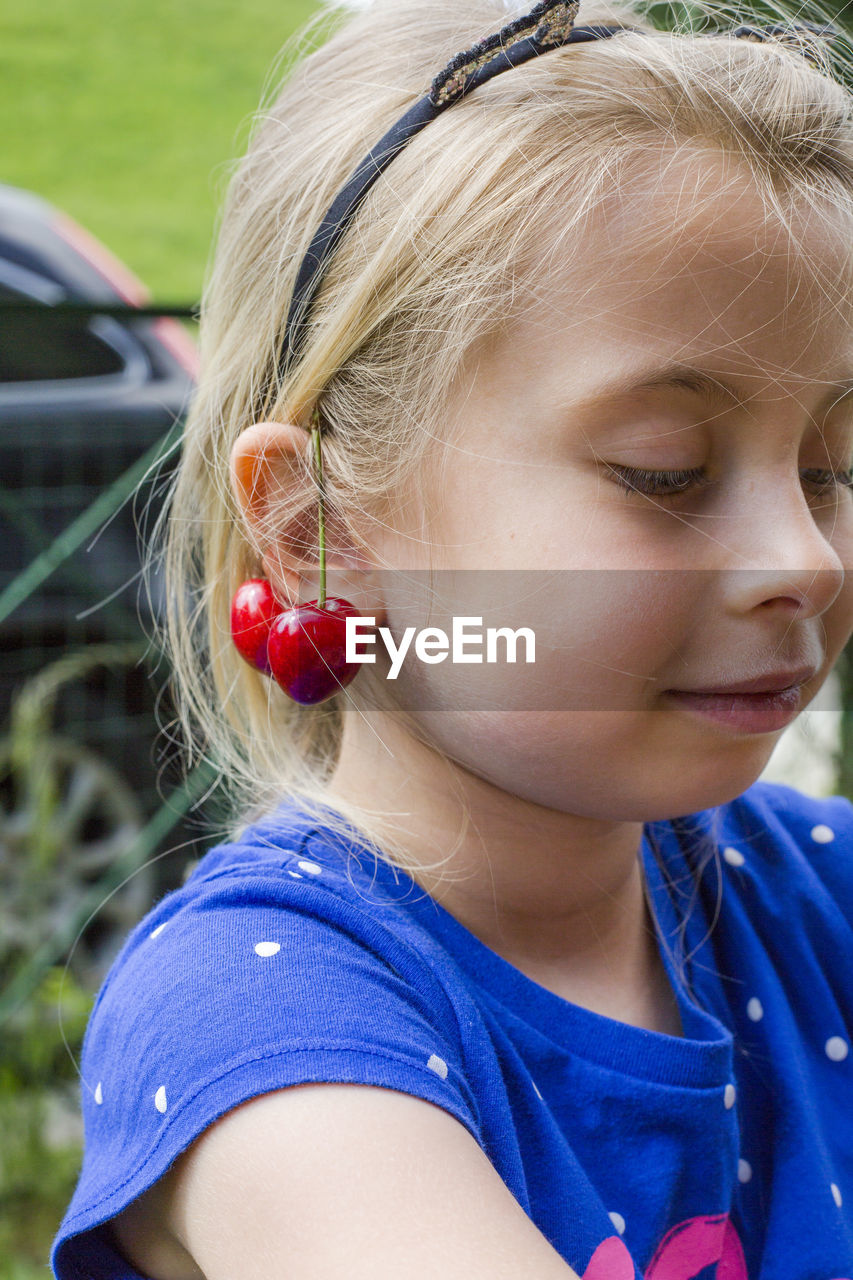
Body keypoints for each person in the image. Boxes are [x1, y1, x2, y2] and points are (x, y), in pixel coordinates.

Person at [52, 0, 853, 1275]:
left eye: (828, 467)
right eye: (664, 470)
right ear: (316, 527)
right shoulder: (266, 1024)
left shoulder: (817, 897)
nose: (806, 559)